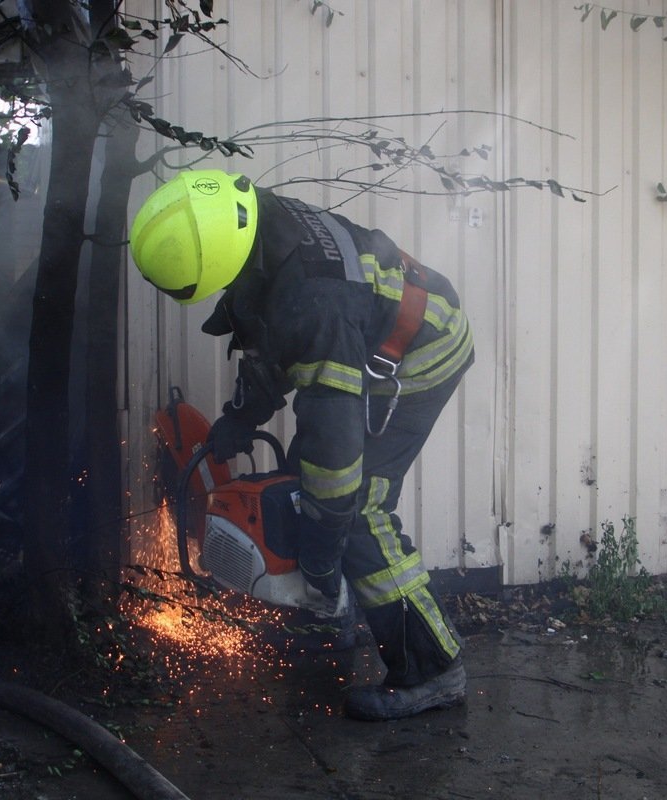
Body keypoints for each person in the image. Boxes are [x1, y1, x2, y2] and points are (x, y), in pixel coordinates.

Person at [130, 169, 474, 721]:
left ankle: (432, 671)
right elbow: (273, 330)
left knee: (355, 505)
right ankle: (328, 615)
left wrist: (320, 550)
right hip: (365, 327)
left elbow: (335, 456)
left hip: (422, 350)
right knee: (310, 482)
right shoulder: (251, 225)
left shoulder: (314, 299)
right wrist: (242, 416)